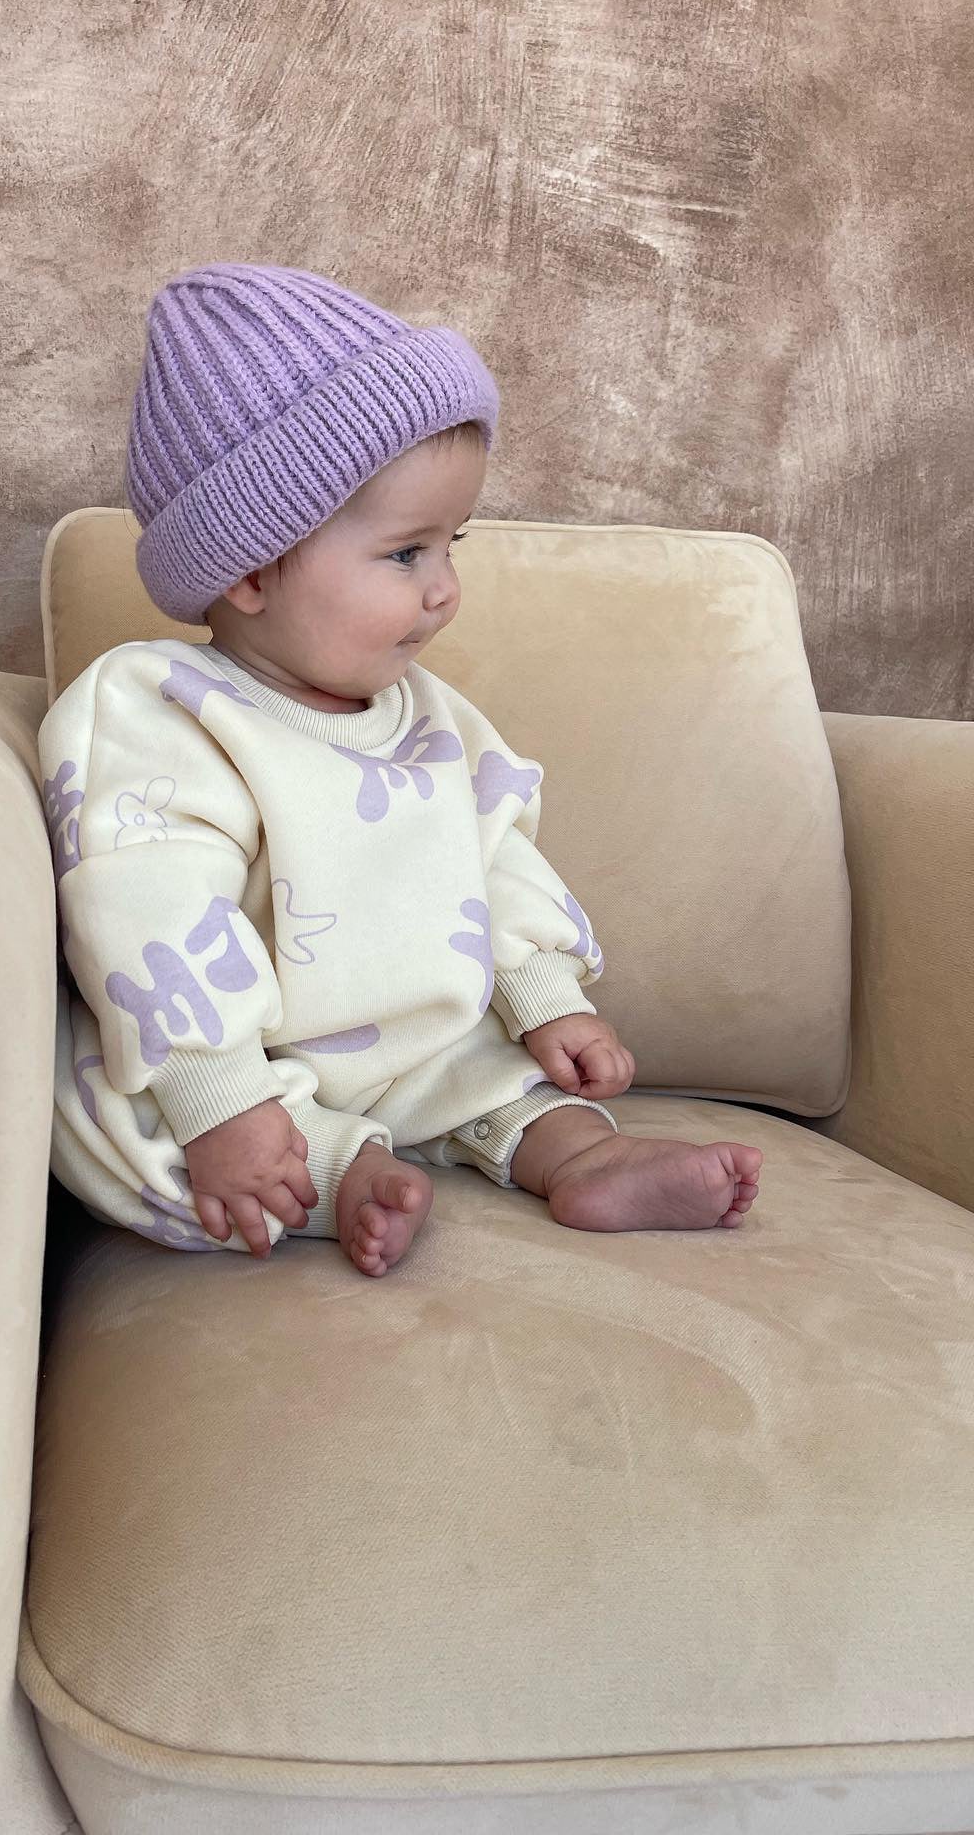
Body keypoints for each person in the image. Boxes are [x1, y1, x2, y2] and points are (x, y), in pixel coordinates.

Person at [38, 262, 762, 1277]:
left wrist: (545, 993)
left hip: (420, 1042)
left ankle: (582, 1157)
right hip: (254, 1057)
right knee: (113, 1118)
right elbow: (146, 907)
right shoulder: (165, 709)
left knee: (500, 1074)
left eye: (451, 545)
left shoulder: (430, 715)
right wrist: (222, 1097)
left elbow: (494, 853)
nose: (445, 590)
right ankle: (340, 1173)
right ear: (252, 569)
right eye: (406, 554)